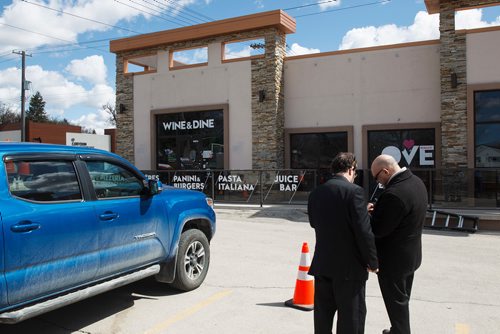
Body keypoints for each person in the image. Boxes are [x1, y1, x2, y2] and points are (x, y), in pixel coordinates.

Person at [308, 152, 379, 334]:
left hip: (323, 265)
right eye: (355, 173)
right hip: (349, 269)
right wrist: (372, 261)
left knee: (323, 320)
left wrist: (359, 210)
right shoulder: (355, 192)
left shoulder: (316, 193)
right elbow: (363, 232)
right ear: (350, 169)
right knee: (351, 321)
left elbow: (315, 223)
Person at [368, 154, 428, 334]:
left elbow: (378, 229)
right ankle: (397, 329)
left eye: (376, 177)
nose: (377, 182)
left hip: (394, 262)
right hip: (411, 256)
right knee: (402, 298)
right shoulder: (416, 182)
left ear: (385, 171)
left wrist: (367, 213)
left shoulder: (394, 194)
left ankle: (401, 331)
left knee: (396, 304)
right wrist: (378, 208)